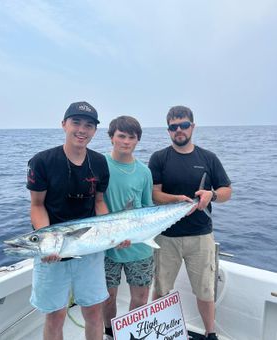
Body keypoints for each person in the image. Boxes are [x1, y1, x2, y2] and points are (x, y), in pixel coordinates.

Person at [26, 101, 110, 340]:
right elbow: (37, 205)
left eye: (89, 125)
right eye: (76, 122)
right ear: (64, 124)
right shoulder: (42, 161)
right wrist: (48, 243)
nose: (82, 130)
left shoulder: (100, 163)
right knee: (55, 315)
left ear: (95, 131)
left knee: (94, 311)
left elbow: (99, 203)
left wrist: (111, 235)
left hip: (90, 246)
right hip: (52, 250)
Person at [148, 106, 232, 340]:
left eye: (184, 125)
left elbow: (227, 191)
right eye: (173, 127)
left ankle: (211, 333)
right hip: (166, 236)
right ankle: (157, 331)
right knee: (161, 289)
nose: (179, 130)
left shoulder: (208, 158)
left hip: (201, 236)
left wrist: (211, 195)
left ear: (192, 126)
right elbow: (155, 194)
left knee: (206, 290)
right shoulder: (159, 158)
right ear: (168, 131)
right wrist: (176, 200)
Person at [102, 116, 154, 340]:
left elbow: (148, 207)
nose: (125, 141)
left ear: (137, 140)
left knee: (141, 298)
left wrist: (133, 234)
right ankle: (110, 333)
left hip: (139, 246)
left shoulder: (144, 172)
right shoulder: (99, 165)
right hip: (105, 245)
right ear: (111, 137)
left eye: (131, 137)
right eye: (121, 136)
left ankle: (132, 335)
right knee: (106, 297)